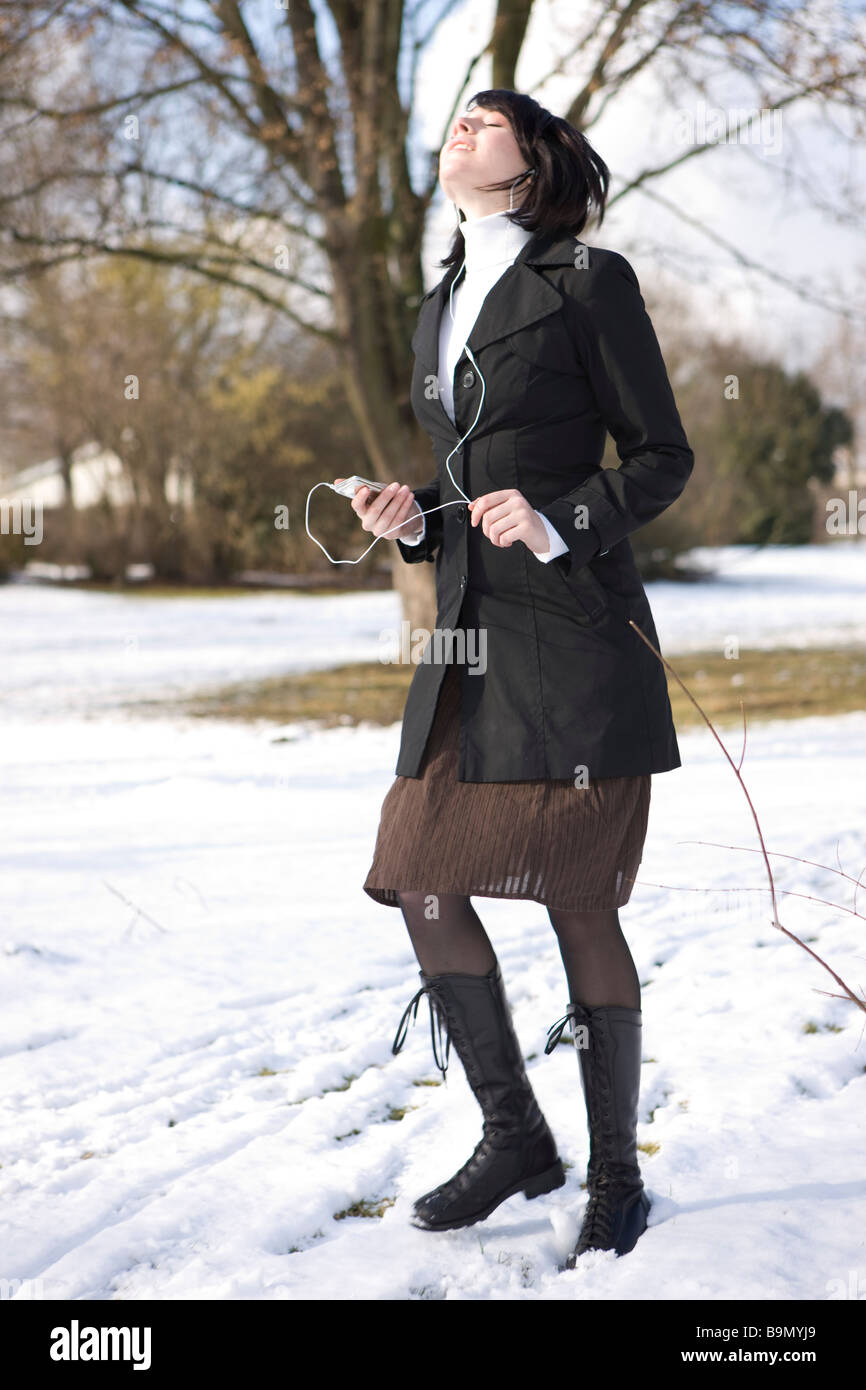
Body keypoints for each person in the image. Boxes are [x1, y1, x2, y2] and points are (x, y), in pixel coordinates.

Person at [337, 89, 694, 1269]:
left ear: (536, 161)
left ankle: (614, 1176)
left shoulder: (588, 281)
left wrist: (560, 518)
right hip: (465, 644)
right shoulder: (434, 305)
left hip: (577, 635)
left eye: (489, 123)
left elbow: (658, 456)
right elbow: (456, 491)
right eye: (454, 124)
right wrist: (408, 520)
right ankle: (514, 1138)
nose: (461, 133)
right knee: (418, 874)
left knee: (574, 898)